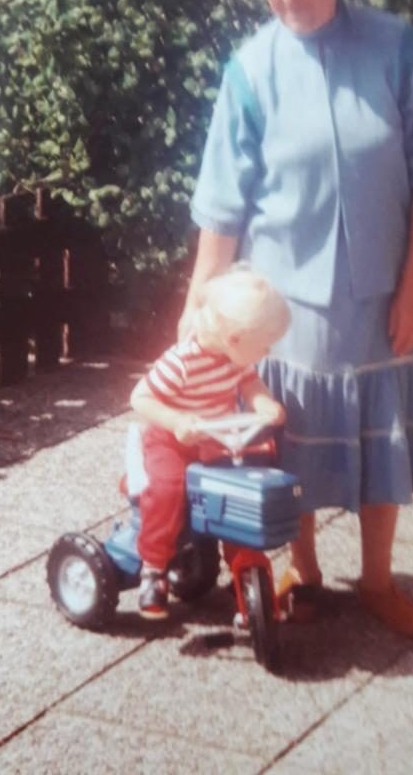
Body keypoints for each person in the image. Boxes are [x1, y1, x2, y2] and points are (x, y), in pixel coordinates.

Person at [180, 0, 413, 637]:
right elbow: (222, 208)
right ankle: (303, 574)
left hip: (380, 302)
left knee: (382, 438)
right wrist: (198, 311)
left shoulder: (396, 48)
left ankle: (376, 581)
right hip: (284, 312)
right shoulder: (250, 70)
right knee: (291, 443)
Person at [129, 265, 290, 619]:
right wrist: (177, 421)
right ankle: (153, 568)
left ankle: (244, 568)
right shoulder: (181, 362)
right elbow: (140, 398)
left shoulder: (234, 358)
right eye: (263, 345)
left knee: (237, 492)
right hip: (170, 439)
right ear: (234, 338)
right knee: (169, 488)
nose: (266, 352)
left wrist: (264, 404)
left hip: (214, 440)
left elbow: (250, 384)